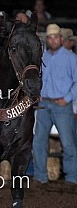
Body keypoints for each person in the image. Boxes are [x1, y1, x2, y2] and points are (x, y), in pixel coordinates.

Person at [32, 23, 77, 184]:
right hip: (45, 104)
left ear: (60, 38)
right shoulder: (42, 57)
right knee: (38, 142)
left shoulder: (71, 58)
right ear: (48, 39)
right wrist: (38, 94)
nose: (52, 40)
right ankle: (40, 176)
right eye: (49, 37)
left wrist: (67, 98)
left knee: (68, 143)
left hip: (61, 104)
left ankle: (72, 178)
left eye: (55, 37)